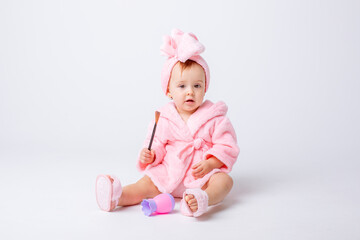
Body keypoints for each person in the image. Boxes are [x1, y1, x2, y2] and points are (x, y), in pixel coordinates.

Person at [95, 29, 240, 217]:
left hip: (200, 176)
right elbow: (156, 144)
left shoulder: (215, 117)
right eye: (182, 86)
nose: (190, 92)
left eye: (197, 85)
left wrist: (211, 164)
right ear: (169, 91)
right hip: (169, 172)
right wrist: (151, 155)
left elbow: (227, 146)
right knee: (145, 184)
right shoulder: (164, 117)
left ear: (205, 88)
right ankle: (117, 196)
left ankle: (201, 198)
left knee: (225, 182)